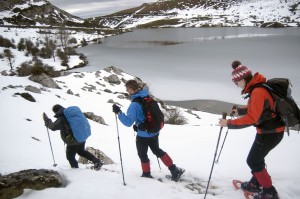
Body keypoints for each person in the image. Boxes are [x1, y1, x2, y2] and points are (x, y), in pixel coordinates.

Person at [219, 61, 284, 199]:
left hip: (272, 133)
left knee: (253, 161)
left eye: (236, 82)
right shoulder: (256, 88)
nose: (236, 85)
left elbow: (253, 118)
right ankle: (256, 182)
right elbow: (259, 109)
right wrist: (241, 110)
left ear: (242, 79)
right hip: (267, 131)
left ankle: (269, 192)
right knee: (257, 158)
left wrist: (229, 123)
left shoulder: (258, 91)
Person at [112, 79, 184, 181]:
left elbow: (128, 122)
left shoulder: (134, 105)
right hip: (154, 131)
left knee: (142, 154)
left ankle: (146, 174)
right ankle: (174, 169)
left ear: (131, 90)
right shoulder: (146, 96)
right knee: (157, 150)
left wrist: (119, 112)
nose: (127, 92)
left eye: (128, 90)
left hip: (143, 135)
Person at [43, 104, 103, 170]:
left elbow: (53, 127)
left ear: (55, 112)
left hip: (74, 141)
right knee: (81, 151)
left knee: (70, 157)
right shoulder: (72, 114)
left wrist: (46, 120)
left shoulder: (62, 118)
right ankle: (97, 161)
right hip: (82, 137)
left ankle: (75, 170)